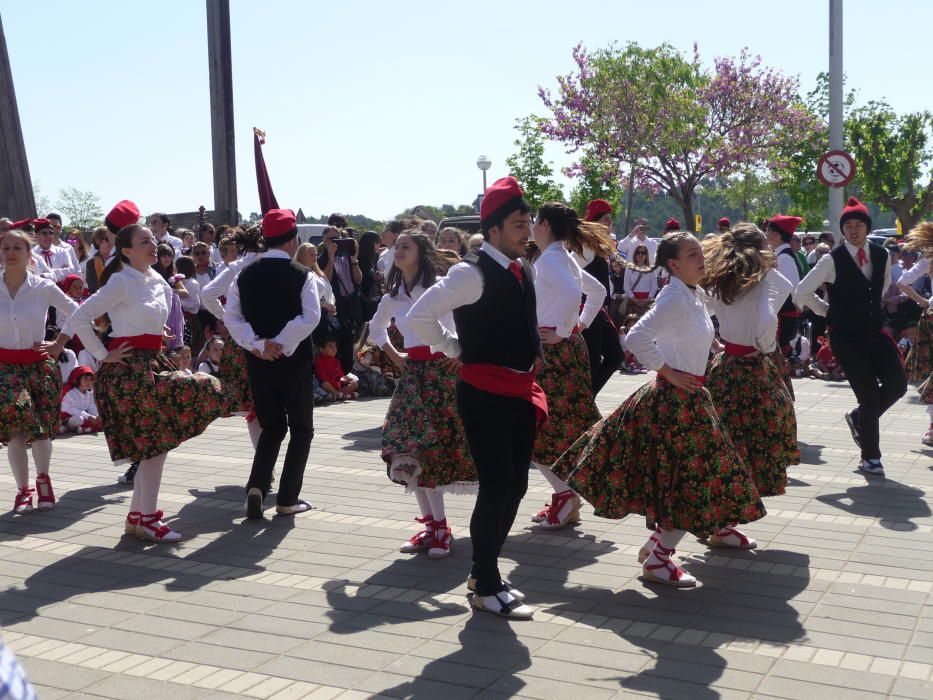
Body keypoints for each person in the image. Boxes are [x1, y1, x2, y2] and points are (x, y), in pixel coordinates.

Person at [550, 232, 765, 588]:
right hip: (677, 404)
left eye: (701, 253)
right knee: (690, 483)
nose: (701, 259)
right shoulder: (675, 298)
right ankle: (659, 559)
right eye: (693, 254)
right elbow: (635, 338)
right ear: (673, 265)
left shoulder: (690, 295)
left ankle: (657, 546)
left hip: (690, 399)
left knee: (689, 481)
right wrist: (667, 370)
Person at [408, 176, 540, 619]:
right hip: (485, 392)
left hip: (520, 390)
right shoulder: (471, 272)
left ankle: (487, 573)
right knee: (498, 486)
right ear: (495, 230)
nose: (528, 231)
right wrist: (455, 348)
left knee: (516, 486)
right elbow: (419, 316)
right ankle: (484, 583)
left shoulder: (523, 267)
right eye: (520, 224)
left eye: (530, 222)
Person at [68, 202, 228, 541]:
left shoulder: (155, 277)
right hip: (128, 371)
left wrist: (159, 333)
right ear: (126, 251)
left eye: (152, 240)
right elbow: (78, 318)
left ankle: (140, 517)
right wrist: (102, 354)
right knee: (154, 445)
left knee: (158, 442)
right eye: (144, 241)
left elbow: (150, 315)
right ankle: (145, 518)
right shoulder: (121, 281)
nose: (153, 245)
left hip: (154, 362)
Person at [375, 231, 475, 559]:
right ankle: (432, 526)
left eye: (406, 246)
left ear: (421, 252)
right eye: (396, 247)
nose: (398, 251)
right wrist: (395, 355)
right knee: (409, 452)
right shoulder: (393, 295)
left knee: (434, 453)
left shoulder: (438, 287)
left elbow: (469, 317)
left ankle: (441, 529)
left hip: (441, 376)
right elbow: (375, 329)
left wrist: (460, 349)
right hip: (413, 377)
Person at [794, 197, 907, 475]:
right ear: (842, 230)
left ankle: (859, 418)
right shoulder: (832, 259)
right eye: (848, 225)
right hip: (845, 337)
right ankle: (871, 457)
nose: (853, 230)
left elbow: (882, 288)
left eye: (858, 224)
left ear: (867, 227)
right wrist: (827, 311)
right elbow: (801, 292)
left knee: (898, 385)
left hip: (875, 331)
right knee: (868, 394)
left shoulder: (881, 255)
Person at [224, 208, 321, 519]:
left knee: (271, 427)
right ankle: (288, 498)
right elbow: (311, 317)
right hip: (293, 361)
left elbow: (232, 317)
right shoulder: (303, 275)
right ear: (293, 241)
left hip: (259, 361)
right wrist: (282, 342)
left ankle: (257, 485)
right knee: (302, 428)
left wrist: (259, 343)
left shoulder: (245, 274)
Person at [703, 223, 799, 524]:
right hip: (753, 368)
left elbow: (699, 313)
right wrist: (766, 346)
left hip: (724, 366)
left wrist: (715, 342)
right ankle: (725, 520)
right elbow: (765, 320)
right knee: (759, 439)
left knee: (726, 442)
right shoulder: (767, 280)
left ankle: (725, 520)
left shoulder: (721, 278)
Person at [525, 203, 604, 530]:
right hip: (565, 350)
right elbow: (596, 291)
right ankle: (565, 495)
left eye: (533, 221)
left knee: (539, 426)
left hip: (553, 354)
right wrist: (577, 326)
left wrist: (562, 330)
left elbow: (576, 292)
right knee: (560, 425)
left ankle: (564, 494)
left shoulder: (552, 260)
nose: (529, 226)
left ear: (543, 224)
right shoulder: (561, 256)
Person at [1, 227, 79, 513]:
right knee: (16, 428)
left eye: (16, 248)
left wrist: (59, 342)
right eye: (5, 248)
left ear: (29, 255)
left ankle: (43, 479)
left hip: (38, 364)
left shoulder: (43, 287)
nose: (10, 253)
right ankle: (23, 490)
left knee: (43, 430)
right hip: (5, 368)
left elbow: (78, 311)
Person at [202, 225, 266, 447]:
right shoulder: (273, 264)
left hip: (241, 339)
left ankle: (263, 462)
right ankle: (265, 462)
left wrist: (228, 319)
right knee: (269, 401)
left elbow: (206, 294)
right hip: (274, 338)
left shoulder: (236, 266)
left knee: (253, 404)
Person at [578, 199, 623, 395]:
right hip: (588, 311)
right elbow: (572, 271)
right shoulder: (585, 247)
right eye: (606, 219)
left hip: (599, 312)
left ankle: (588, 401)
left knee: (615, 356)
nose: (609, 224)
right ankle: (584, 405)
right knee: (593, 361)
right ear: (595, 222)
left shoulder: (594, 246)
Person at [900, 222, 933, 445]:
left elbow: (903, 282)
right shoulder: (929, 261)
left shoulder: (929, 261)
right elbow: (902, 282)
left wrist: (924, 302)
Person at [59, 365, 102, 434]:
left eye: (90, 379)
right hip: (68, 417)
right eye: (85, 378)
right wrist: (89, 417)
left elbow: (92, 406)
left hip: (84, 415)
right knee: (79, 419)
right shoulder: (70, 393)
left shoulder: (89, 393)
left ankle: (83, 428)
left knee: (101, 419)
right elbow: (71, 409)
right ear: (76, 380)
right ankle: (66, 427)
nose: (88, 382)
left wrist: (95, 416)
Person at [624, 245, 658, 319]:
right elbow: (626, 287)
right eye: (638, 252)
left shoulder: (651, 270)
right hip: (633, 302)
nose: (640, 255)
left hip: (647, 302)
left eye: (643, 253)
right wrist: (635, 300)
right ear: (635, 254)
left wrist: (648, 299)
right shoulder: (629, 269)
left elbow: (654, 287)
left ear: (646, 255)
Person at [357, 230, 382, 322]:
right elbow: (362, 280)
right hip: (365, 303)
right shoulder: (359, 260)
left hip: (372, 301)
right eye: (377, 243)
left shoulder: (373, 258)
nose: (379, 246)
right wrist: (373, 277)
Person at [84, 226, 115, 293]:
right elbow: (93, 288)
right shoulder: (91, 263)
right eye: (108, 239)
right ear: (98, 241)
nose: (112, 242)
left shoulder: (119, 260)